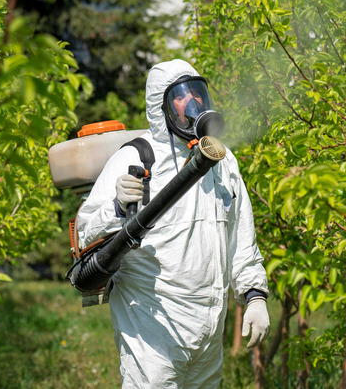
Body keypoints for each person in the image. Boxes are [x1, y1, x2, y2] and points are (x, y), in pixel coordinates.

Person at [76, 59, 270, 388]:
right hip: (152, 326)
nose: (192, 102)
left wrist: (255, 296)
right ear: (161, 106)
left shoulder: (222, 160)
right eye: (180, 95)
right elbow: (85, 232)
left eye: (197, 92)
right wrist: (117, 205)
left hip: (209, 330)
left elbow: (240, 235)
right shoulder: (135, 158)